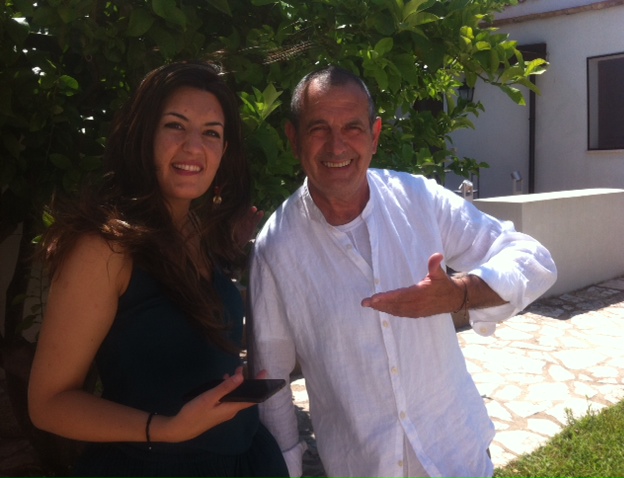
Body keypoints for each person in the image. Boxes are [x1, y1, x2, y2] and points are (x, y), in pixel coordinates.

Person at [249, 66, 557, 478]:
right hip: (362, 467)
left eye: (353, 127)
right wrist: (286, 466)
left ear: (375, 135)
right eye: (318, 128)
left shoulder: (418, 199)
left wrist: (460, 294)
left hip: (458, 454)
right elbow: (269, 377)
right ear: (293, 139)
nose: (337, 145)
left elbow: (533, 259)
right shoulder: (275, 247)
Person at [28, 60, 289, 478]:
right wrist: (165, 429)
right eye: (175, 126)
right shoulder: (104, 248)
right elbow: (48, 404)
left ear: (224, 152)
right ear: (143, 135)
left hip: (243, 458)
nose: (193, 147)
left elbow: (183, 333)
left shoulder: (196, 233)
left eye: (211, 133)